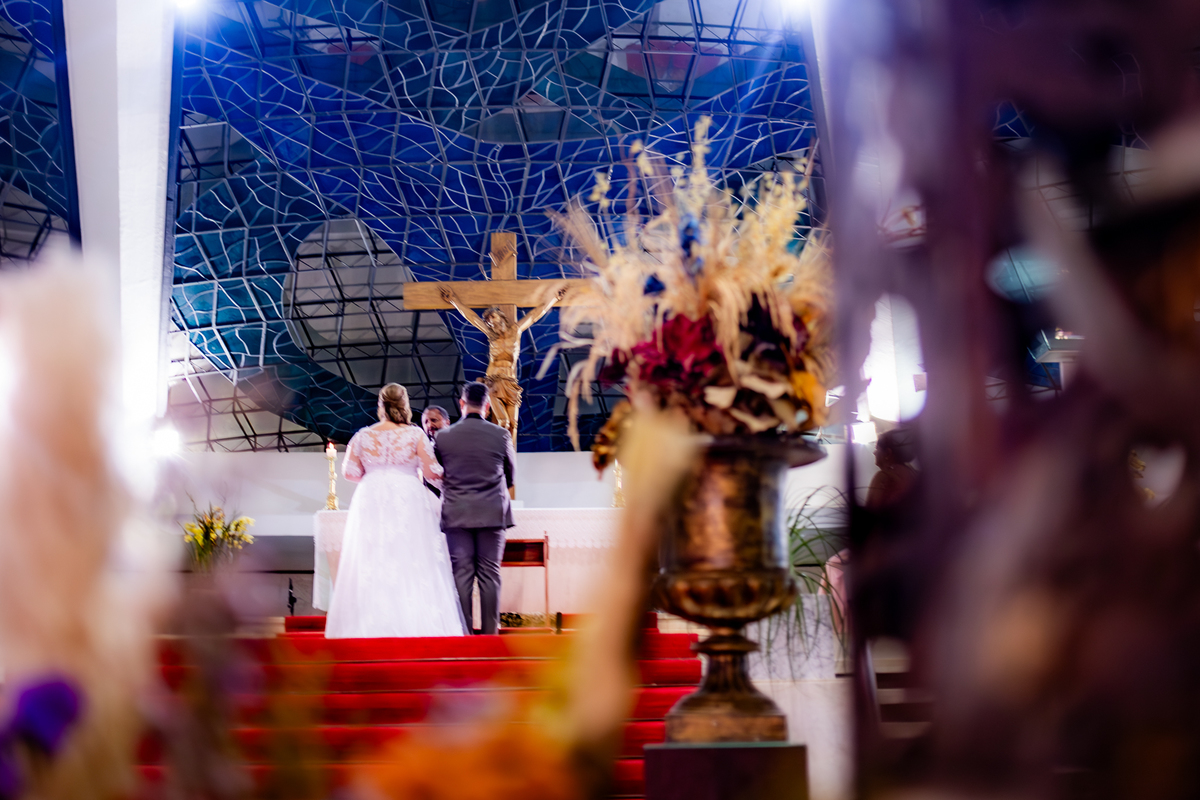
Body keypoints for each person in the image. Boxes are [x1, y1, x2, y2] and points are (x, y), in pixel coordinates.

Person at [324, 384, 466, 638]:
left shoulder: (363, 436)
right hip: (407, 494)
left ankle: (368, 624)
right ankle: (416, 622)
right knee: (411, 554)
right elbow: (432, 471)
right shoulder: (415, 435)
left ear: (381, 406)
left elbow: (349, 472)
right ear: (405, 405)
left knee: (371, 555)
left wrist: (376, 474)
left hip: (371, 495)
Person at [434, 382, 517, 635]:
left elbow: (438, 474)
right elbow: (511, 475)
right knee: (490, 574)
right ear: (488, 406)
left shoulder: (443, 436)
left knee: (462, 574)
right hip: (492, 512)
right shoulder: (501, 434)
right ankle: (490, 635)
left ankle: (464, 633)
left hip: (457, 513)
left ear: (461, 403)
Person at [440, 285, 567, 440]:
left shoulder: (516, 331)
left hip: (511, 383)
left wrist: (554, 299)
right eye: (487, 320)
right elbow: (471, 318)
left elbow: (534, 315)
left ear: (500, 316)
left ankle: (510, 455)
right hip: (493, 381)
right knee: (503, 421)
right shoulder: (491, 335)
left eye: (492, 317)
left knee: (513, 424)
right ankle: (499, 450)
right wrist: (454, 301)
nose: (489, 322)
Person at [421, 405, 450, 498]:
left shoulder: (458, 444)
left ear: (447, 422)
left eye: (434, 420)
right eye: (426, 422)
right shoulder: (423, 449)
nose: (429, 425)